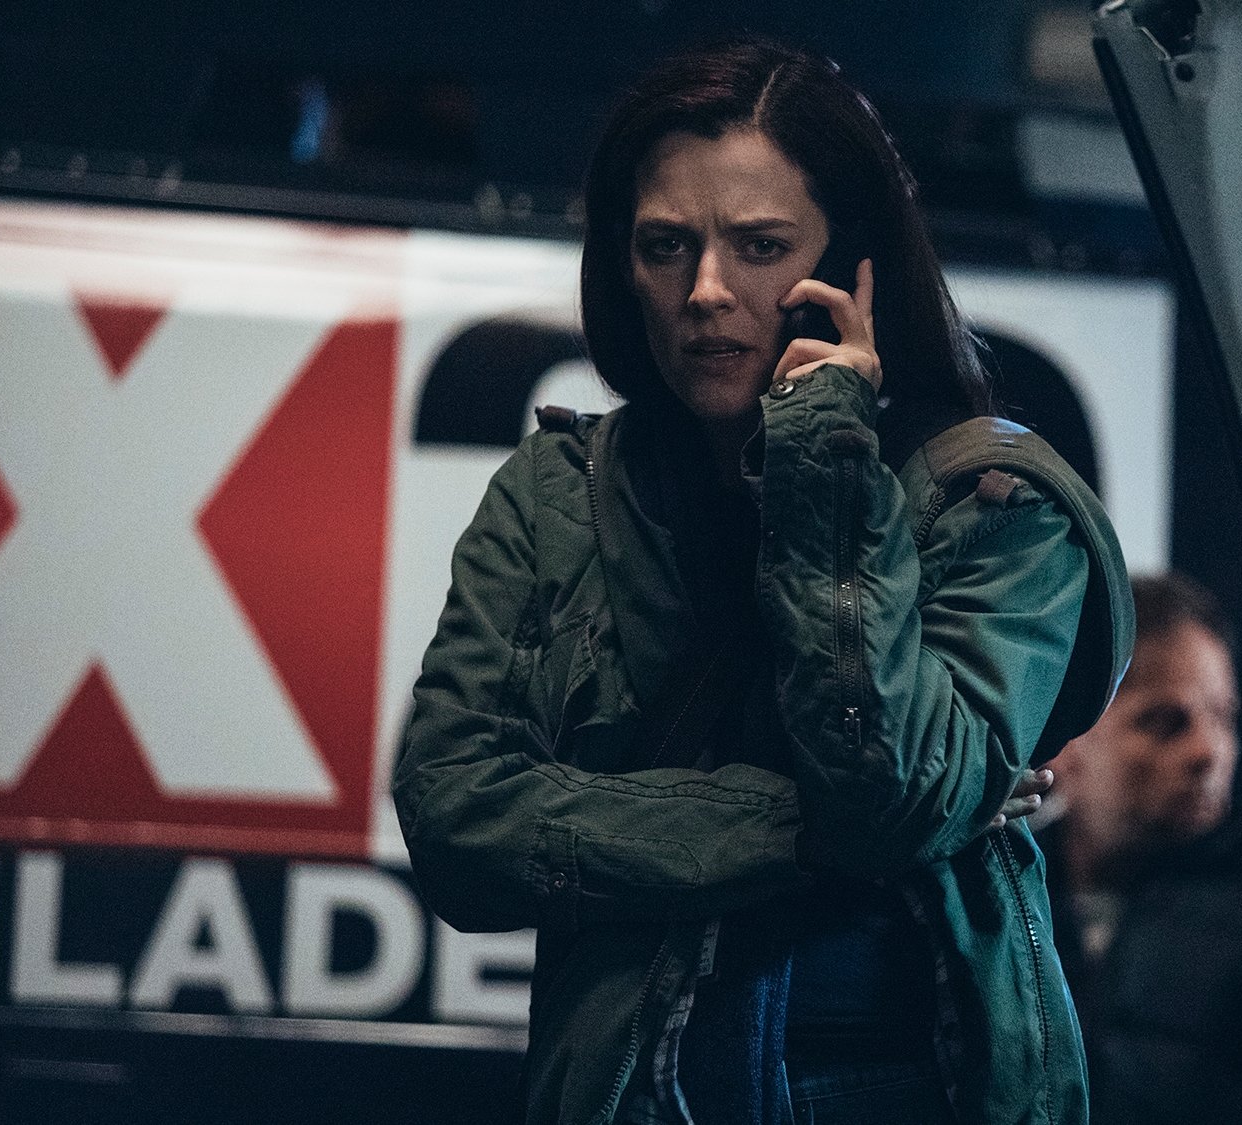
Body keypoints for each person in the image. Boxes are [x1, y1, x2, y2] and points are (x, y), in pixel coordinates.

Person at [392, 37, 1132, 1125]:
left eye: (760, 246)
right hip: (642, 1091)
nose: (705, 290)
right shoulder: (557, 494)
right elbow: (455, 822)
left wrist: (824, 454)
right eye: (664, 246)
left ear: (854, 266)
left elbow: (889, 799)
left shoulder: (992, 503)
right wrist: (793, 827)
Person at [1038, 573, 1242, 1125]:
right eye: (1164, 722)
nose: (1210, 752)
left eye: (1224, 717)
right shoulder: (998, 899)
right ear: (1063, 739)